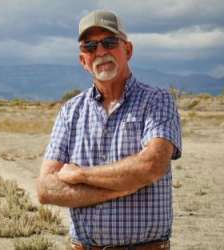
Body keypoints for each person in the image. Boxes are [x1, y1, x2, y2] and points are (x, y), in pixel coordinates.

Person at [37, 10, 182, 250]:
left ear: (128, 50)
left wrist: (81, 175)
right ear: (83, 61)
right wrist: (122, 187)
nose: (101, 52)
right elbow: (46, 189)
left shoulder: (157, 101)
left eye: (109, 42)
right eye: (90, 46)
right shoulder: (70, 111)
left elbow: (151, 166)